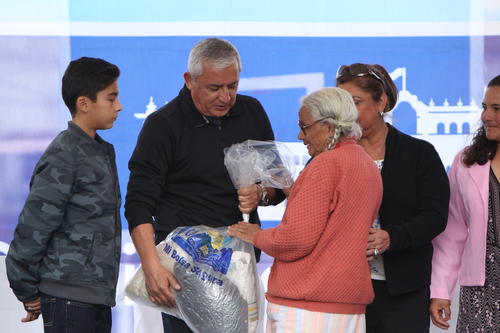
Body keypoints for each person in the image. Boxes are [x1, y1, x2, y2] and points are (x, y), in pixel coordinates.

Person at [125, 37, 285, 333]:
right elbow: (138, 204)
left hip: (241, 265)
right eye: (215, 88)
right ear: (189, 80)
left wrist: (261, 193)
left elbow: (280, 185)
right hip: (185, 269)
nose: (226, 97)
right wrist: (150, 266)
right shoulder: (163, 125)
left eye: (233, 86)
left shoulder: (252, 112)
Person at [228, 87, 383, 333]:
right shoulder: (367, 164)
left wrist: (255, 234)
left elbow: (295, 240)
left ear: (330, 127)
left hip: (308, 306)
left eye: (305, 126)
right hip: (348, 304)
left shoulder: (324, 165)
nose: (301, 135)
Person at [6, 56, 123, 333]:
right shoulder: (64, 153)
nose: (119, 106)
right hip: (69, 298)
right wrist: (27, 290)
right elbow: (33, 228)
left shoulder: (100, 150)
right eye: (111, 98)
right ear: (84, 103)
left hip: (94, 296)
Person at [336, 63, 450, 333]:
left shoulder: (419, 153)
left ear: (381, 102)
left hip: (403, 291)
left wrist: (392, 237)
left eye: (355, 102)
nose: (346, 112)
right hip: (342, 288)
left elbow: (435, 216)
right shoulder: (332, 155)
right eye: (341, 103)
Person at [430, 75, 500, 332]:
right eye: (485, 107)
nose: (485, 116)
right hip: (480, 294)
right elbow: (451, 233)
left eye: (497, 109)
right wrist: (440, 290)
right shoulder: (467, 161)